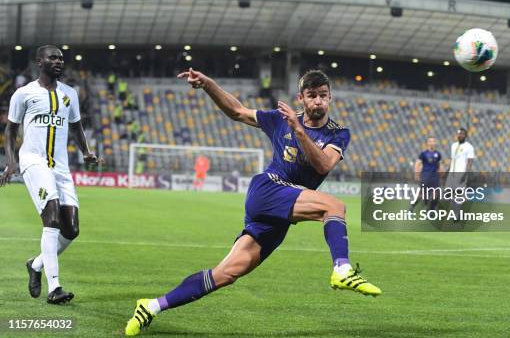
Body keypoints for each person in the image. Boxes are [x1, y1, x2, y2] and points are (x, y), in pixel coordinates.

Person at [124, 68, 381, 336]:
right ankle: (342, 268)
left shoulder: (338, 133)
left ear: (330, 98)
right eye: (312, 95)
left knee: (225, 274)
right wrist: (209, 84)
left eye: (323, 96)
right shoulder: (281, 120)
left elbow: (323, 164)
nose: (318, 101)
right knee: (334, 206)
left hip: (281, 213)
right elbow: (237, 111)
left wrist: (299, 131)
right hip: (267, 189)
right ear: (301, 98)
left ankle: (151, 306)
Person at [0, 45, 100, 304]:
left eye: (61, 58)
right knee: (52, 219)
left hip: (61, 166)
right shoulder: (23, 94)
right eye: (53, 57)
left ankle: (35, 264)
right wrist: (11, 162)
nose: (58, 61)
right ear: (39, 62)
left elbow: (76, 127)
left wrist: (87, 153)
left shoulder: (70, 94)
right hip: (34, 162)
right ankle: (54, 287)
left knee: (72, 229)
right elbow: (10, 131)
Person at [446, 128, 475, 218]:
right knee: (449, 194)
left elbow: (470, 162)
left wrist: (465, 174)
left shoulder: (469, 147)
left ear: (466, 136)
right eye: (459, 133)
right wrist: (448, 170)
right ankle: (454, 212)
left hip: (461, 173)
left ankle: (457, 214)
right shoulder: (453, 145)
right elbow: (453, 159)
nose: (460, 135)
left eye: (462, 134)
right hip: (452, 173)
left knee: (458, 194)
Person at [413, 137, 443, 211]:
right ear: (427, 143)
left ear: (435, 143)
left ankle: (431, 210)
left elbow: (439, 165)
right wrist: (417, 174)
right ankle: (412, 206)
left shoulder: (438, 154)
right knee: (421, 193)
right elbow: (417, 164)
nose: (432, 143)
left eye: (433, 141)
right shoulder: (423, 154)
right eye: (430, 141)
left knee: (436, 193)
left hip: (435, 176)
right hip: (426, 175)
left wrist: (441, 174)